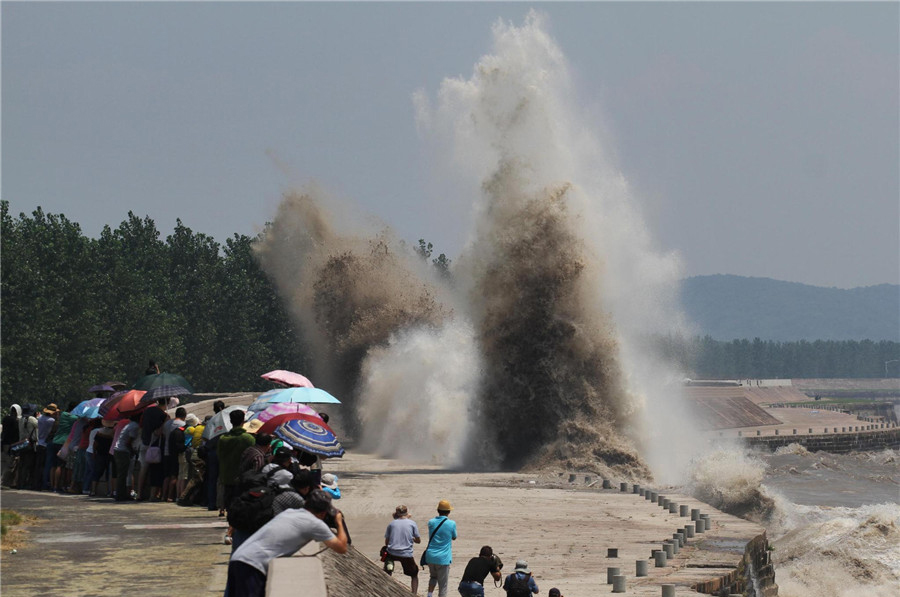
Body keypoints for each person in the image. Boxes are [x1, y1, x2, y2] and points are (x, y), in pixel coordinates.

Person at [225, 489, 348, 597]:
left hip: (239, 557)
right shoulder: (315, 523)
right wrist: (339, 522)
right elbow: (341, 547)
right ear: (322, 513)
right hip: (253, 565)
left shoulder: (289, 512)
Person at [217, 410, 255, 515]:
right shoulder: (249, 438)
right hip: (243, 477)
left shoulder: (223, 438)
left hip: (227, 476)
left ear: (230, 421)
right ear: (243, 421)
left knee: (229, 504)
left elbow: (219, 455)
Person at [384, 504, 421, 594]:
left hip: (392, 552)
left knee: (387, 568)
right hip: (406, 554)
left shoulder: (392, 524)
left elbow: (387, 542)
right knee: (414, 575)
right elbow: (418, 540)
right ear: (406, 512)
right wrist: (413, 539)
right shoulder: (412, 523)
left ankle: (389, 571)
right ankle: (414, 593)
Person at [425, 499, 458, 597]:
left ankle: (429, 595)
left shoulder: (431, 522)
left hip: (430, 555)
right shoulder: (451, 523)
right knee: (443, 585)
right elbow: (454, 537)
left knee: (433, 577)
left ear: (438, 510)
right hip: (443, 557)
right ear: (449, 511)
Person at [138, 397, 168, 500]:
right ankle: (152, 495)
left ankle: (139, 494)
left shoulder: (147, 410)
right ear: (167, 403)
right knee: (155, 470)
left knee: (143, 469)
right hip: (154, 446)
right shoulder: (162, 414)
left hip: (144, 442)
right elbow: (157, 432)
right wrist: (165, 421)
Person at [113, 414, 142, 501]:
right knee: (123, 474)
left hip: (118, 449)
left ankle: (121, 494)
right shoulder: (135, 426)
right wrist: (133, 451)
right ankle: (121, 495)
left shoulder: (129, 425)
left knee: (122, 474)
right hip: (123, 451)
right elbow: (128, 442)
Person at [33, 404, 58, 490]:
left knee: (38, 465)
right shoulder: (52, 421)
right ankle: (44, 483)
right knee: (46, 465)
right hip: (46, 444)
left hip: (39, 443)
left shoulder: (40, 419)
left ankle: (36, 483)